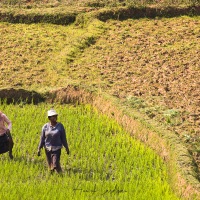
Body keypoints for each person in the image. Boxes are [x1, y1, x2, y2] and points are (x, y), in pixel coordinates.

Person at [37, 109, 70, 173]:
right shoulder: (45, 127)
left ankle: (60, 176)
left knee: (55, 164)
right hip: (47, 148)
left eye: (55, 116)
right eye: (53, 116)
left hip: (57, 148)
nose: (55, 117)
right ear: (49, 118)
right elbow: (42, 138)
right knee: (50, 165)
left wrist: (66, 147)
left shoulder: (60, 126)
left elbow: (63, 138)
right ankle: (55, 177)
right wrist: (39, 148)